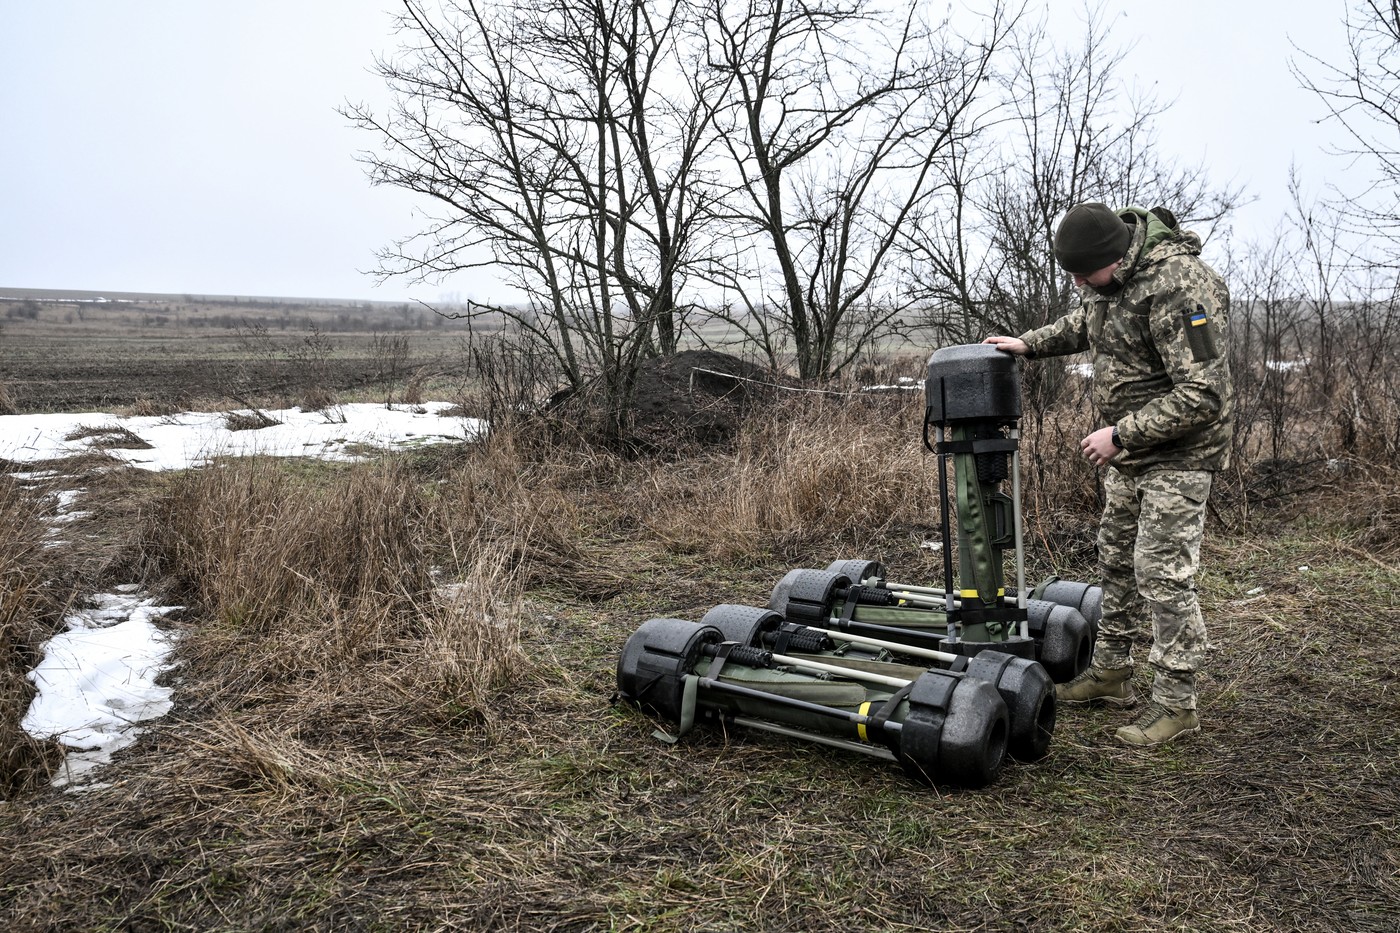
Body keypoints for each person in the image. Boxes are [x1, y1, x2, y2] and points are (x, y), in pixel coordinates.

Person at [984, 202, 1232, 747]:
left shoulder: (1181, 287)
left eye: (1082, 273)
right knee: (1115, 555)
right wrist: (1029, 343)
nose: (1078, 284)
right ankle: (1112, 671)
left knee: (1161, 571)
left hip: (1180, 454)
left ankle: (1176, 703)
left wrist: (1119, 435)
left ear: (1115, 257)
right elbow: (1086, 322)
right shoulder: (1112, 282)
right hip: (1134, 452)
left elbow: (1204, 394)